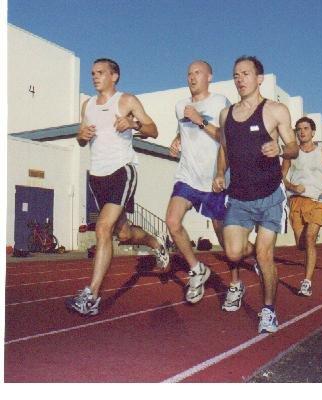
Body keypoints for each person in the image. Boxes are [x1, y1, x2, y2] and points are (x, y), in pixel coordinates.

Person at [66, 58, 168, 316]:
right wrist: (81, 137)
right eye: (92, 73)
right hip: (97, 175)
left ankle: (91, 296)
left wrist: (133, 124)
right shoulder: (87, 105)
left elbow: (153, 130)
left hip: (122, 170)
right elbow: (80, 138)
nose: (95, 77)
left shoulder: (127, 101)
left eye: (100, 73)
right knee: (122, 234)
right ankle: (156, 243)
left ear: (115, 76)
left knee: (102, 228)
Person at [213, 55, 298, 333]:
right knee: (233, 252)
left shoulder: (275, 110)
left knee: (263, 254)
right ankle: (265, 269)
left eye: (246, 74)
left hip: (270, 195)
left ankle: (269, 310)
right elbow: (224, 149)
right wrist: (218, 173)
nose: (240, 79)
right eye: (236, 75)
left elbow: (294, 147)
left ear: (259, 78)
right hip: (239, 196)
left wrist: (281, 150)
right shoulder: (226, 115)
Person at [166, 60, 231, 304]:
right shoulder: (180, 106)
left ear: (210, 76)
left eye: (198, 73)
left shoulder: (220, 102)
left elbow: (226, 137)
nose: (192, 77)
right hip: (187, 176)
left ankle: (236, 279)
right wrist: (176, 139)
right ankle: (196, 269)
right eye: (189, 73)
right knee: (172, 222)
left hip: (214, 178)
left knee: (226, 239)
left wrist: (199, 120)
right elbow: (183, 129)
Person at [281, 116, 322, 297]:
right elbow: (281, 177)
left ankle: (306, 282)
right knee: (301, 244)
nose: (302, 132)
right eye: (298, 129)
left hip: (318, 201)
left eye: (305, 128)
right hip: (297, 201)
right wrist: (292, 186)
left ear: (313, 132)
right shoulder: (291, 153)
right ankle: (309, 243)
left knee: (310, 238)